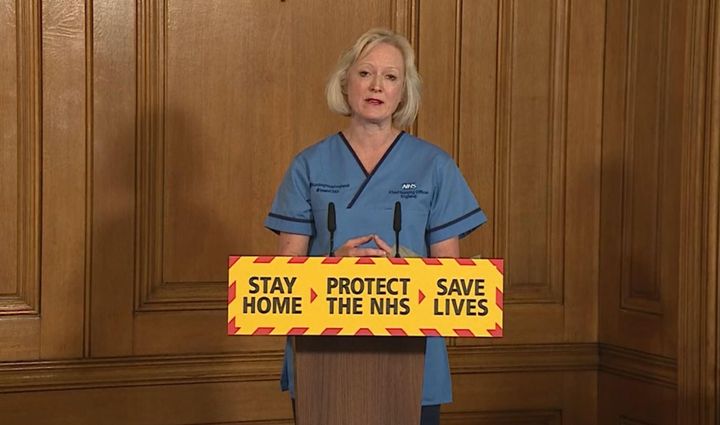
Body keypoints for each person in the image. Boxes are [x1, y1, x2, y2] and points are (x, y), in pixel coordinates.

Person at [264, 27, 487, 425]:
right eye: (366, 73)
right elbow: (284, 276)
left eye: (391, 76)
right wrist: (333, 265)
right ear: (345, 82)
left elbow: (452, 279)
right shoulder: (308, 165)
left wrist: (407, 266)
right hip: (323, 360)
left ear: (403, 92)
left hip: (413, 361)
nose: (377, 86)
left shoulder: (435, 166)